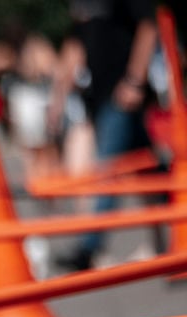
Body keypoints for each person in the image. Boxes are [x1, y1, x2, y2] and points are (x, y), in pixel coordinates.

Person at [50, 0, 158, 271]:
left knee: (107, 171)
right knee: (152, 172)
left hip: (122, 94)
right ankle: (165, 243)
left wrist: (135, 80)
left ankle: (89, 247)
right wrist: (59, 98)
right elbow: (74, 44)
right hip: (100, 98)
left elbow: (149, 25)